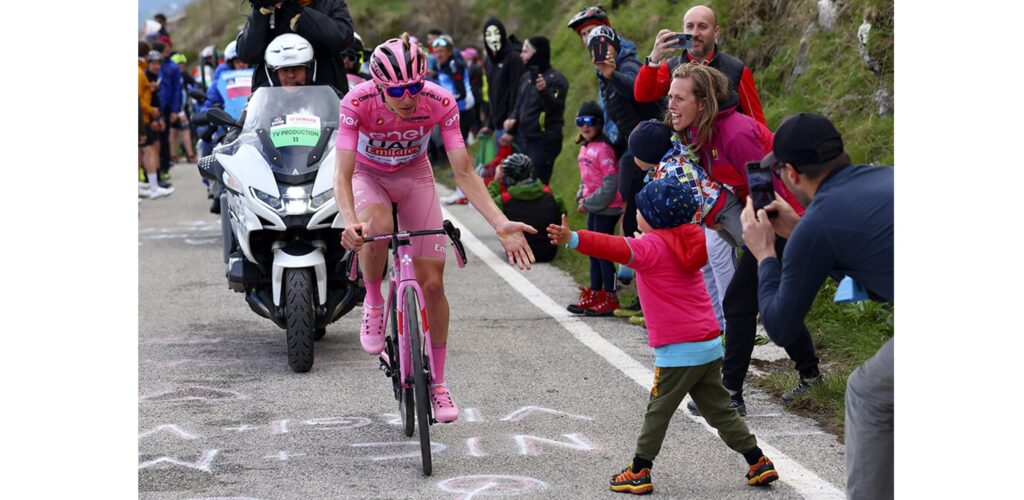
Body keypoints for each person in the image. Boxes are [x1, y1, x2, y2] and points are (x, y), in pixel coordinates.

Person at [335, 35, 538, 424]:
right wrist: (349, 220)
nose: (409, 97)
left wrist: (498, 222)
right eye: (398, 90)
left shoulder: (440, 101)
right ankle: (375, 300)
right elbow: (342, 173)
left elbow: (463, 171)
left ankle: (439, 382)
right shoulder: (356, 102)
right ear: (379, 86)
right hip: (369, 176)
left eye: (415, 86)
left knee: (432, 285)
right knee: (375, 226)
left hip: (415, 177)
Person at [546, 178, 779, 495]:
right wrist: (651, 239)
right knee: (721, 411)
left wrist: (572, 238)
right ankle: (758, 461)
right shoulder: (690, 240)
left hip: (677, 352)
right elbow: (662, 248)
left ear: (652, 218)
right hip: (708, 345)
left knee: (658, 412)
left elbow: (610, 246)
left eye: (640, 211)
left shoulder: (647, 248)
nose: (636, 216)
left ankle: (640, 470)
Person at [739, 113, 893, 500]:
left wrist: (764, 254)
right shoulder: (884, 176)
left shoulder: (819, 224)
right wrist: (801, 229)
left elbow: (780, 327)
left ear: (790, 172)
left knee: (867, 392)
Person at [660, 63, 821, 416]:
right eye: (669, 96)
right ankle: (809, 374)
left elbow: (769, 190)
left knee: (739, 303)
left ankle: (730, 392)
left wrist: (763, 237)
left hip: (784, 218)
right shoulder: (700, 133)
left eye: (679, 98)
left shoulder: (733, 133)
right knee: (768, 301)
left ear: (702, 103)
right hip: (765, 219)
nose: (670, 104)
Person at [567, 5, 663, 299]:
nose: (589, 42)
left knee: (636, 214)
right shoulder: (604, 66)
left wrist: (611, 73)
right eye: (584, 36)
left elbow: (640, 93)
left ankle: (632, 280)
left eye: (593, 35)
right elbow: (617, 116)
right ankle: (618, 284)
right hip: (629, 144)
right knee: (625, 211)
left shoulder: (625, 62)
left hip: (649, 148)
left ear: (612, 39)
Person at [628, 119, 734, 331]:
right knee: (706, 268)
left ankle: (734, 324)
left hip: (722, 214)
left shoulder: (676, 168)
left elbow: (692, 201)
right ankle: (718, 325)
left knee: (721, 264)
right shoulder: (664, 166)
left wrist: (687, 237)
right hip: (708, 221)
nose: (632, 159)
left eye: (635, 153)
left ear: (648, 154)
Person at [634, 5, 765, 126]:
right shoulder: (670, 67)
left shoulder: (736, 69)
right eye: (689, 27)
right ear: (683, 30)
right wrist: (653, 59)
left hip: (726, 146)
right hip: (686, 147)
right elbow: (642, 95)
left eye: (702, 27)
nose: (695, 34)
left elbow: (756, 120)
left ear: (716, 31)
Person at [567, 101, 622, 316]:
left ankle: (611, 295)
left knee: (603, 253)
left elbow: (610, 184)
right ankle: (596, 292)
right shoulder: (586, 147)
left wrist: (588, 202)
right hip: (594, 206)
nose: (584, 126)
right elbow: (586, 179)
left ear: (599, 123)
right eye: (580, 121)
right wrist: (581, 193)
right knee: (591, 250)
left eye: (589, 121)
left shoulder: (605, 149)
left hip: (607, 208)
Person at [236, 0, 355, 95]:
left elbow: (342, 37)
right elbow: (247, 54)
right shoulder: (267, 7)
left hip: (324, 92)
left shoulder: (330, 3)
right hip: (273, 98)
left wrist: (299, 12)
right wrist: (260, 12)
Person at [502, 36, 568, 185]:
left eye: (525, 51)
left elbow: (556, 108)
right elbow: (519, 105)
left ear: (538, 53)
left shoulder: (556, 80)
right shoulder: (526, 78)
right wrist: (511, 126)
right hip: (525, 139)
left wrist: (543, 91)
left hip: (544, 141)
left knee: (536, 185)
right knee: (516, 182)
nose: (521, 55)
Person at [487, 153, 565, 263]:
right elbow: (562, 215)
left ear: (507, 177)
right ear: (531, 172)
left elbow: (487, 205)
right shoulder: (551, 195)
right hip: (548, 253)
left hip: (517, 254)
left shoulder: (504, 200)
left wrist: (496, 181)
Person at [479, 17, 525, 149]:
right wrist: (490, 125)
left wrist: (512, 129)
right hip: (499, 128)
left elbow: (517, 93)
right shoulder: (488, 61)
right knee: (500, 169)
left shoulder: (514, 58)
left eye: (496, 33)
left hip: (515, 128)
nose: (493, 38)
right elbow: (494, 94)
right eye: (488, 35)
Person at [138, 41, 173, 199]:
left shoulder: (141, 72)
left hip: (145, 116)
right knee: (150, 150)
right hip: (143, 117)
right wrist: (152, 112)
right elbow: (138, 100)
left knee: (142, 151)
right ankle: (153, 188)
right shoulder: (139, 72)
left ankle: (146, 185)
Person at [153, 41, 183, 182]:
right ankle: (153, 170)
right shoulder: (152, 65)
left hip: (166, 108)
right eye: (166, 51)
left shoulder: (173, 67)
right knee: (152, 141)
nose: (168, 53)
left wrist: (175, 110)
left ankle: (164, 168)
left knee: (164, 139)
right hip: (153, 107)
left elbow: (178, 89)